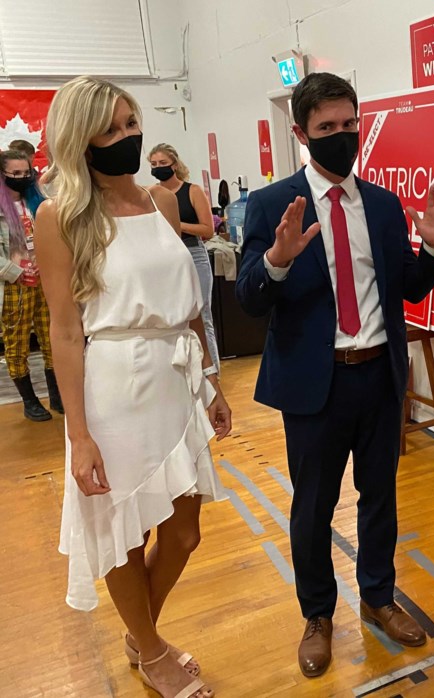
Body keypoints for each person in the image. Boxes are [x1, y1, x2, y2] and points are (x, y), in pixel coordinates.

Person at [236, 72, 434, 678]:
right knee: (312, 507)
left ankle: (380, 598)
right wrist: (277, 261)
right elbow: (251, 298)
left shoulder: (383, 205)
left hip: (378, 376)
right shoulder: (272, 205)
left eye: (348, 124)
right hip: (314, 385)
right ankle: (317, 614)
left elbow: (405, 289)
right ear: (301, 132)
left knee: (380, 495)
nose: (340, 136)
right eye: (326, 128)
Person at [36, 76, 232, 698]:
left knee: (184, 531)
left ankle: (141, 632)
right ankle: (150, 648)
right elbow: (64, 333)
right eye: (111, 128)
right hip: (114, 385)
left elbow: (191, 306)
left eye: (130, 121)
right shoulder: (60, 215)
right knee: (124, 531)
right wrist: (78, 435)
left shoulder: (162, 202)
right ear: (80, 139)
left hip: (176, 381)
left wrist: (209, 380)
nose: (128, 136)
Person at [148, 143, 220, 373]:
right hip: (165, 255)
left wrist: (177, 224)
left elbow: (208, 230)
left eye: (163, 163)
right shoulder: (151, 194)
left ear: (175, 165)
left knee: (202, 312)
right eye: (154, 165)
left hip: (193, 252)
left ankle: (213, 371)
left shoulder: (192, 190)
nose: (158, 168)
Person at [0, 148, 59, 420]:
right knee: (17, 343)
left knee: (52, 339)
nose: (22, 178)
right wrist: (15, 271)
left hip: (44, 278)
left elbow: (54, 235)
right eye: (16, 174)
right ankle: (30, 400)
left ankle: (57, 396)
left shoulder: (39, 202)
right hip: (14, 286)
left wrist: (45, 261)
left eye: (27, 173)